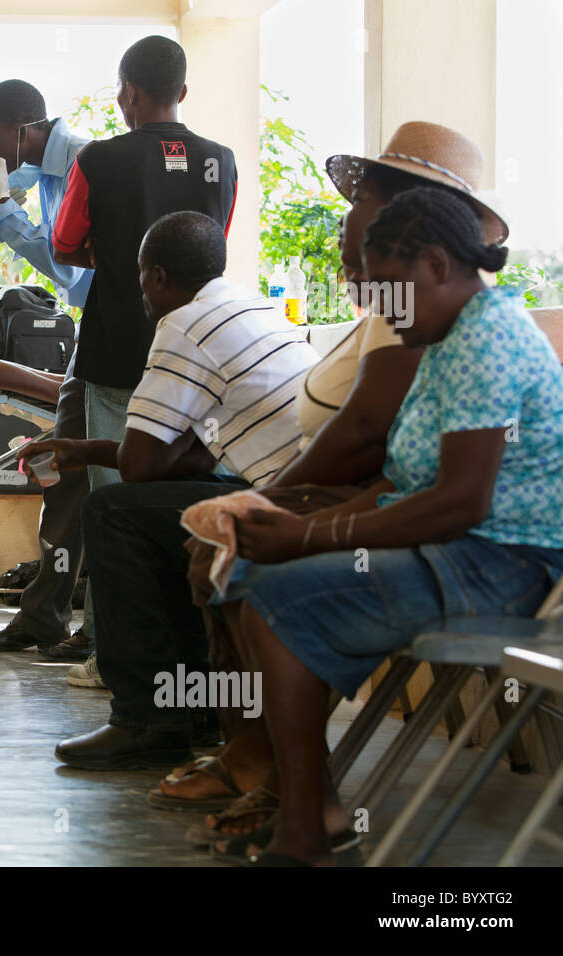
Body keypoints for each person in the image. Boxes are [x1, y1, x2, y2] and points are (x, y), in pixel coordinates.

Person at [157, 123, 511, 841]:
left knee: (248, 564)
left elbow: (381, 443)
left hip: (472, 546)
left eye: (368, 266)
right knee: (226, 547)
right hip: (415, 508)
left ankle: (287, 785)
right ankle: (274, 772)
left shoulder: (455, 328)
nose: (360, 283)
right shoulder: (422, 312)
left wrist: (296, 520)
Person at [213, 187, 563, 866]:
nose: (378, 308)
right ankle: (310, 805)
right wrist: (285, 519)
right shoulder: (450, 334)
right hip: (465, 552)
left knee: (278, 598)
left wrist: (310, 537)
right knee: (250, 567)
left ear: (438, 263)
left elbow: (458, 502)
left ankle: (307, 829)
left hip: (508, 568)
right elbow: (402, 485)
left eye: (389, 289)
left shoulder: (485, 341)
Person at [26, 211, 316, 768]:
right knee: (165, 513)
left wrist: (95, 457)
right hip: (308, 494)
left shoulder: (184, 324)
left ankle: (146, 720)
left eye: (141, 282)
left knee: (112, 512)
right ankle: (198, 705)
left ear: (157, 277)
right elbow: (192, 454)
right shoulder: (251, 308)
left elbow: (139, 465)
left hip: (290, 509)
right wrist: (83, 449)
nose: (143, 296)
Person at [49, 34, 238, 686]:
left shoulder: (98, 160)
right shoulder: (222, 161)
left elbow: (65, 243)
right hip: (202, 356)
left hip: (118, 350)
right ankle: (192, 658)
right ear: (182, 92)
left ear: (127, 93)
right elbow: (209, 253)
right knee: (187, 502)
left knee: (116, 505)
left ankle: (114, 659)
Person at [0, 79, 95, 659]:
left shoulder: (80, 166)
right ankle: (45, 612)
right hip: (97, 337)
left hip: (118, 335)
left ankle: (96, 627)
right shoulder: (46, 166)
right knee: (61, 464)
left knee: (93, 471)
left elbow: (67, 269)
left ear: (22, 129)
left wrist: (1, 213)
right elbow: (16, 177)